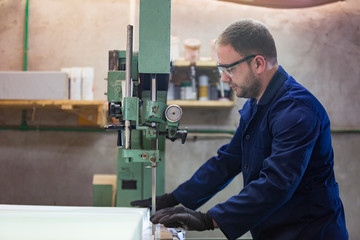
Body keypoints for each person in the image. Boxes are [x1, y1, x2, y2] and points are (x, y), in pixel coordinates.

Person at [131, 19, 348, 240]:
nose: (225, 79)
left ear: (258, 64)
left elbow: (278, 183)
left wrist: (210, 219)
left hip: (310, 232)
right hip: (274, 230)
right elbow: (227, 161)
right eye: (221, 69)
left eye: (230, 69)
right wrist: (174, 198)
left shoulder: (297, 111)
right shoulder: (257, 105)